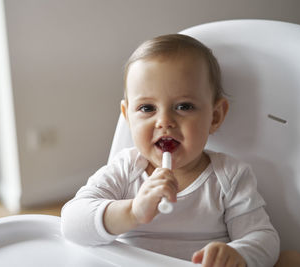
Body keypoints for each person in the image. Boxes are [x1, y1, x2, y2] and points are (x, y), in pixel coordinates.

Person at [61, 34, 282, 267]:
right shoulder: (127, 169)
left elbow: (264, 238)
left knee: (292, 260)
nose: (165, 121)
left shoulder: (229, 175)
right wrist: (133, 212)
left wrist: (239, 254)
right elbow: (72, 223)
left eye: (184, 106)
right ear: (128, 117)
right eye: (147, 108)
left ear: (215, 116)